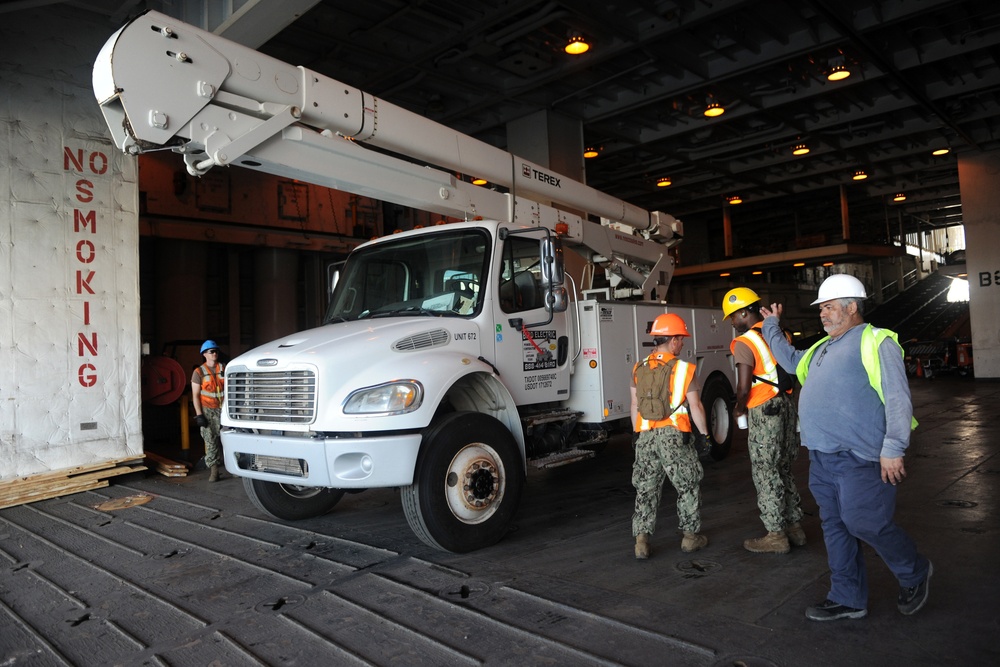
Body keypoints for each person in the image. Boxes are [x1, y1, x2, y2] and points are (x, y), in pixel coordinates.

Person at [759, 274, 931, 621]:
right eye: (821, 308)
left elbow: (898, 398)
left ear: (852, 307)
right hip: (822, 458)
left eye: (828, 307)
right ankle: (848, 597)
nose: (822, 314)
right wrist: (771, 327)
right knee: (835, 527)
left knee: (864, 522)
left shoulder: (875, 341)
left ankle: (915, 571)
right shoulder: (822, 348)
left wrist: (894, 447)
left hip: (861, 457)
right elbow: (791, 362)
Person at [723, 287, 805, 554]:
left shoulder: (746, 342)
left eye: (733, 317)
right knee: (784, 468)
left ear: (745, 313)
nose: (733, 323)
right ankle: (795, 528)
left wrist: (738, 409)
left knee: (765, 472)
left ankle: (776, 535)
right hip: (786, 405)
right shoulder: (780, 333)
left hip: (764, 411)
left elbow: (744, 387)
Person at [630, 312, 711, 559]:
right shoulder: (684, 369)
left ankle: (641, 542)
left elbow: (634, 405)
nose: (683, 343)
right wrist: (705, 435)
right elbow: (695, 406)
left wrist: (636, 433)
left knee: (645, 488)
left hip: (645, 435)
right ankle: (690, 538)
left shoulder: (638, 367)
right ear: (673, 339)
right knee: (687, 484)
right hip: (674, 435)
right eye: (681, 339)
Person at [192, 339, 226, 482]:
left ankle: (235, 466)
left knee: (228, 439)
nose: (214, 354)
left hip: (224, 410)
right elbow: (195, 395)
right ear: (204, 354)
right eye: (211, 351)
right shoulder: (198, 372)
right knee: (211, 441)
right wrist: (199, 415)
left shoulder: (224, 368)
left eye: (216, 351)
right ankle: (214, 471)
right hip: (208, 411)